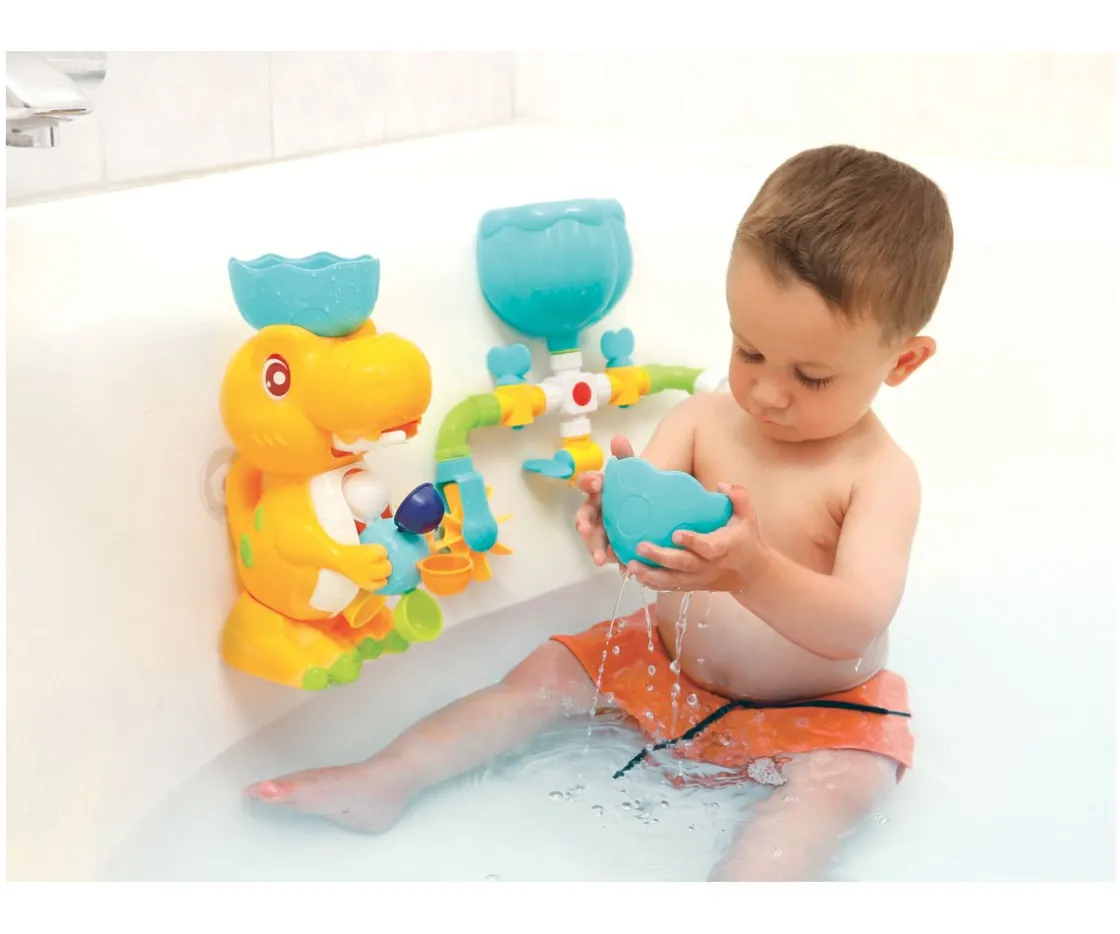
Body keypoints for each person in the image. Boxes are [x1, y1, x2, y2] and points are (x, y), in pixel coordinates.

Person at [244, 144, 954, 882]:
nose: (769, 393)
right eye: (749, 352)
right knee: (539, 676)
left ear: (903, 362)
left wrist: (755, 572)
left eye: (811, 376)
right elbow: (641, 523)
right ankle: (385, 778)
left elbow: (853, 625)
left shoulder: (878, 477)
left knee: (840, 789)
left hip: (821, 712)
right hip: (665, 665)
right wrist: (609, 518)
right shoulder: (702, 421)